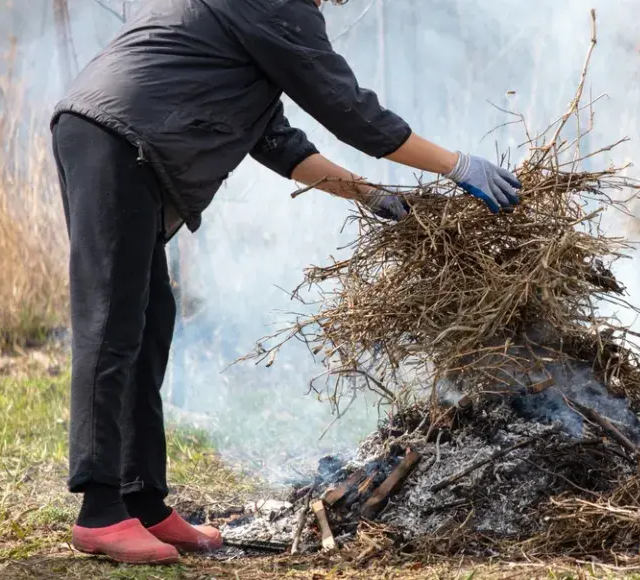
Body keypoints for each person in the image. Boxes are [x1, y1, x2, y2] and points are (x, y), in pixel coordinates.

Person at [50, 0, 521, 565]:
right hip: (116, 136)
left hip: (124, 139)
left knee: (150, 325)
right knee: (112, 323)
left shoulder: (255, 24)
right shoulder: (276, 4)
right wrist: (456, 164)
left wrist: (370, 194)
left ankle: (143, 502)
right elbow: (351, 111)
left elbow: (276, 141)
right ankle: (100, 513)